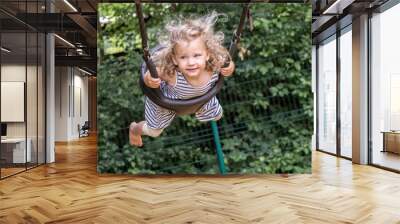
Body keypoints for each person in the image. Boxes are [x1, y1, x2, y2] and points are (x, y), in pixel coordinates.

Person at [130, 12, 235, 147]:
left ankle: (198, 109)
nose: (191, 62)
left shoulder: (214, 66)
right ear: (174, 59)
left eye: (197, 55)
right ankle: (134, 129)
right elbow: (151, 73)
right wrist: (149, 78)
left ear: (207, 54)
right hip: (165, 103)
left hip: (201, 99)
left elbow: (229, 64)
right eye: (183, 57)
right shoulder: (172, 72)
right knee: (154, 131)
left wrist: (230, 67)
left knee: (218, 115)